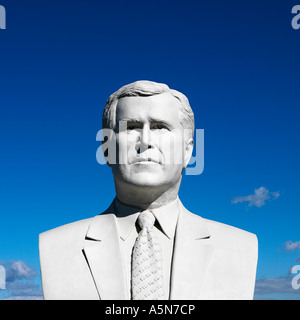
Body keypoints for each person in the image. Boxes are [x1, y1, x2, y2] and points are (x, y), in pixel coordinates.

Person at [39, 80, 258, 300]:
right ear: (106, 148)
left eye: (160, 127)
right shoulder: (55, 247)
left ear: (187, 150)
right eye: (131, 127)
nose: (145, 141)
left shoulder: (240, 246)